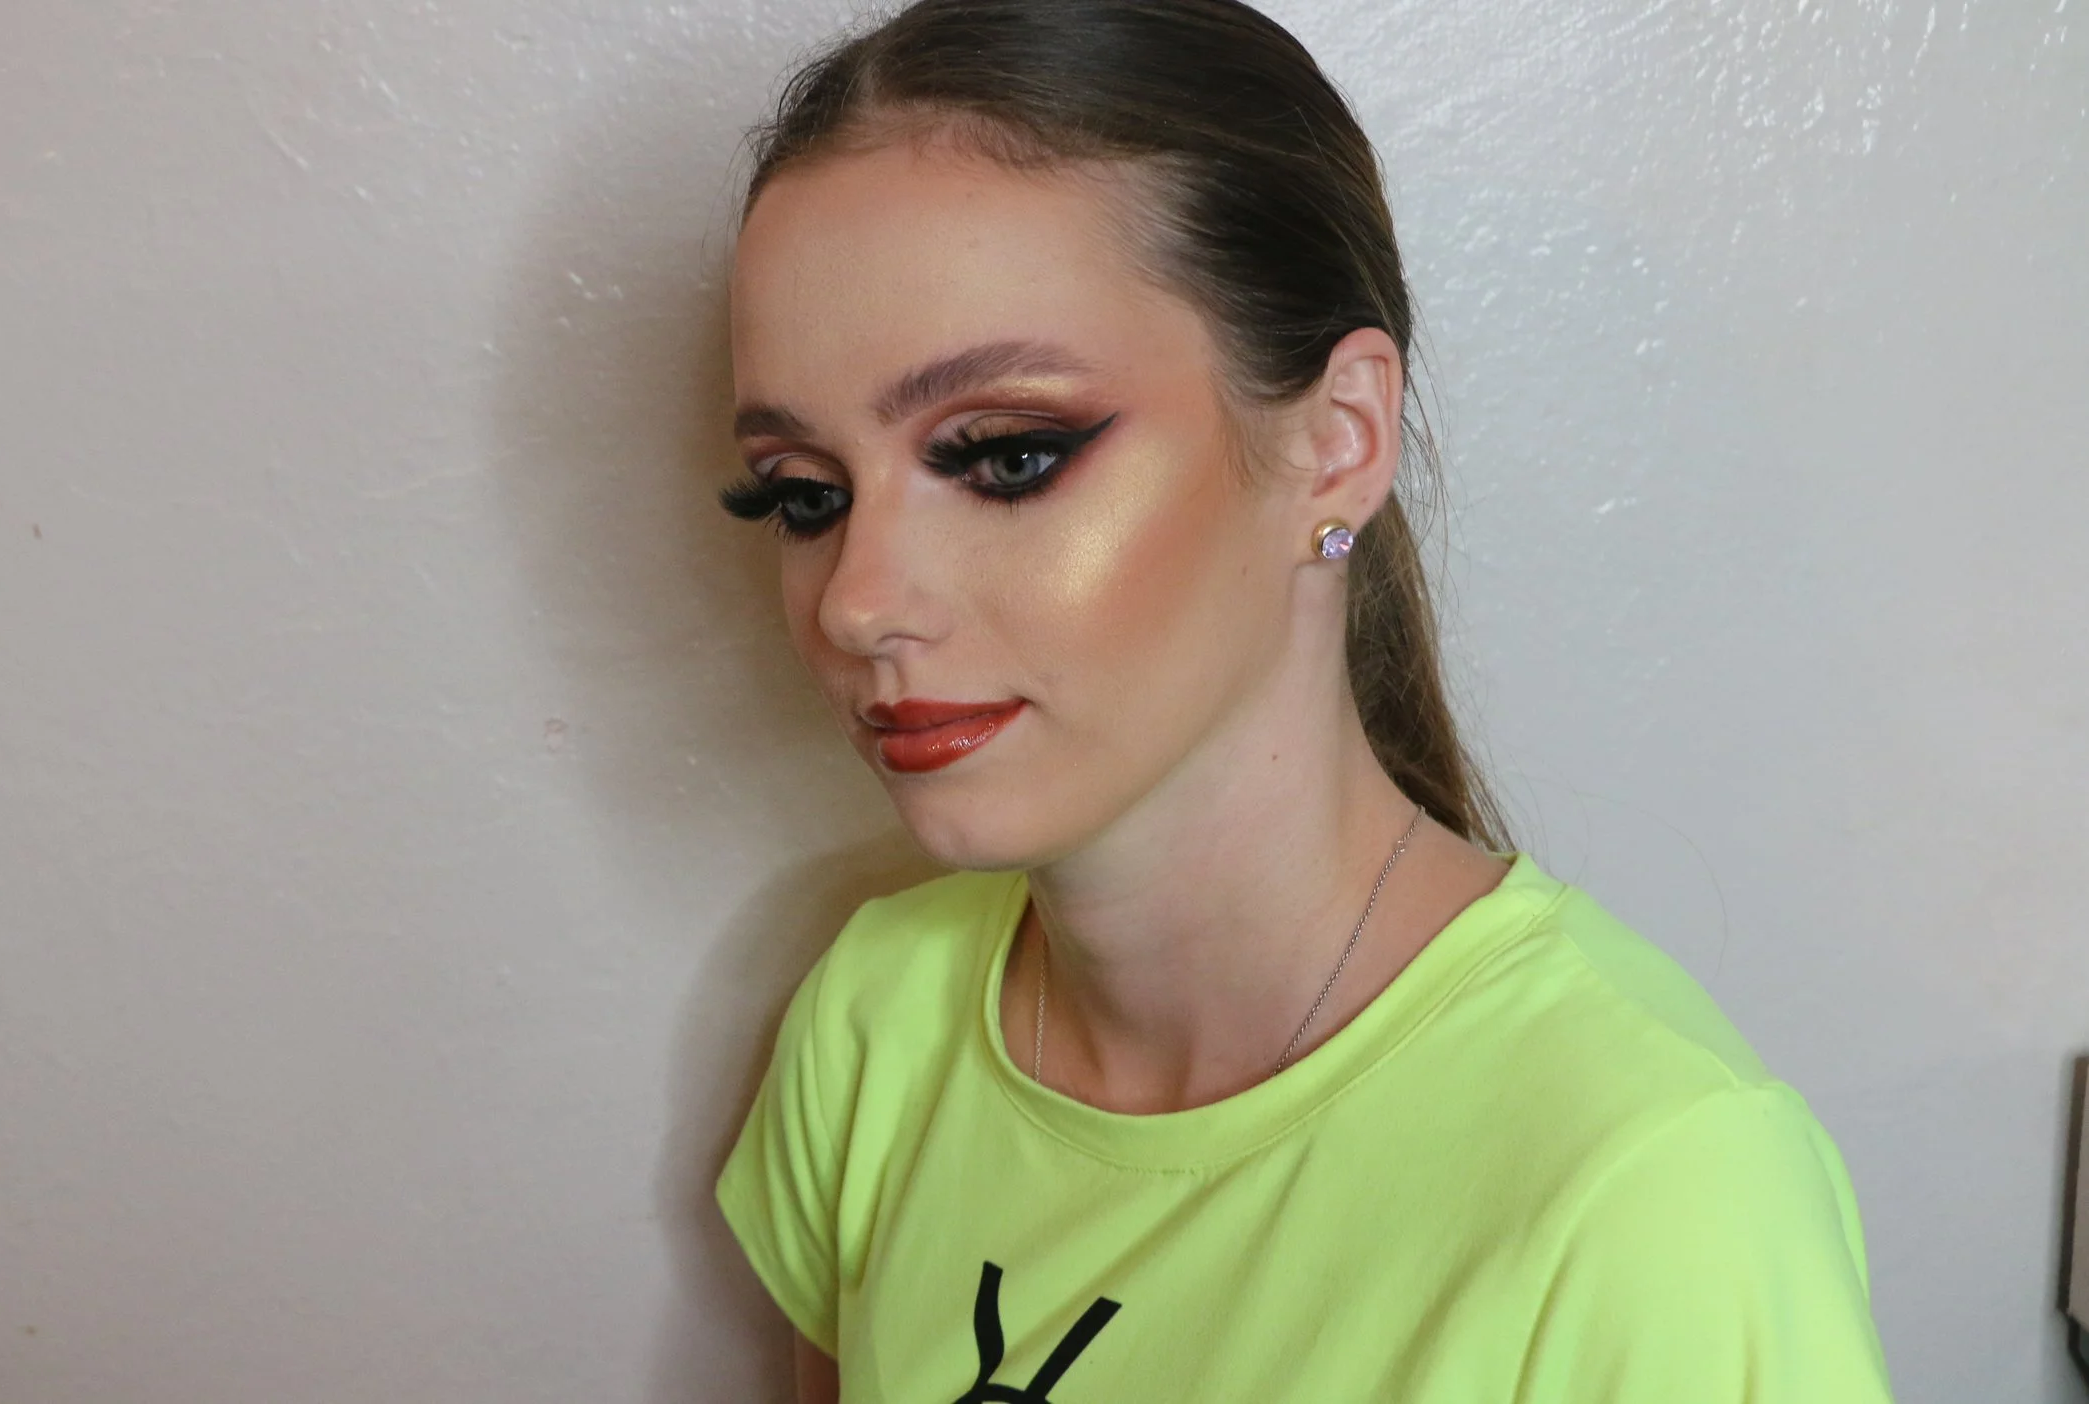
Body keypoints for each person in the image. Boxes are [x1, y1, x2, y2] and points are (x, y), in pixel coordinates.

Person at [707, 1, 1894, 1399]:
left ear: (1338, 443)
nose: (858, 600)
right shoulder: (875, 1026)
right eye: (803, 494)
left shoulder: (1653, 1190)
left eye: (1007, 457)